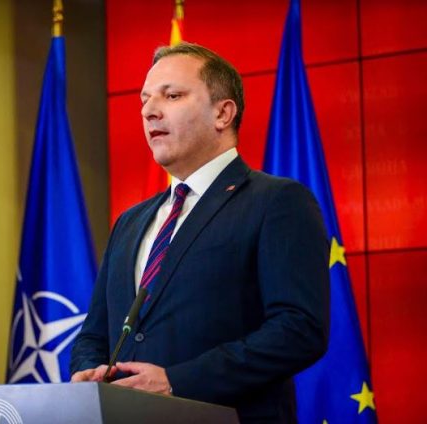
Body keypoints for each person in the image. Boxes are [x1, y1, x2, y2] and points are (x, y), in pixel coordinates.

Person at [70, 42, 329, 423]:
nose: (148, 111)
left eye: (172, 95)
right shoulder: (130, 222)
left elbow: (299, 330)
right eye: (144, 99)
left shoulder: (276, 201)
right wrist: (90, 373)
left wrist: (177, 381)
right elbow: (94, 335)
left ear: (222, 113)